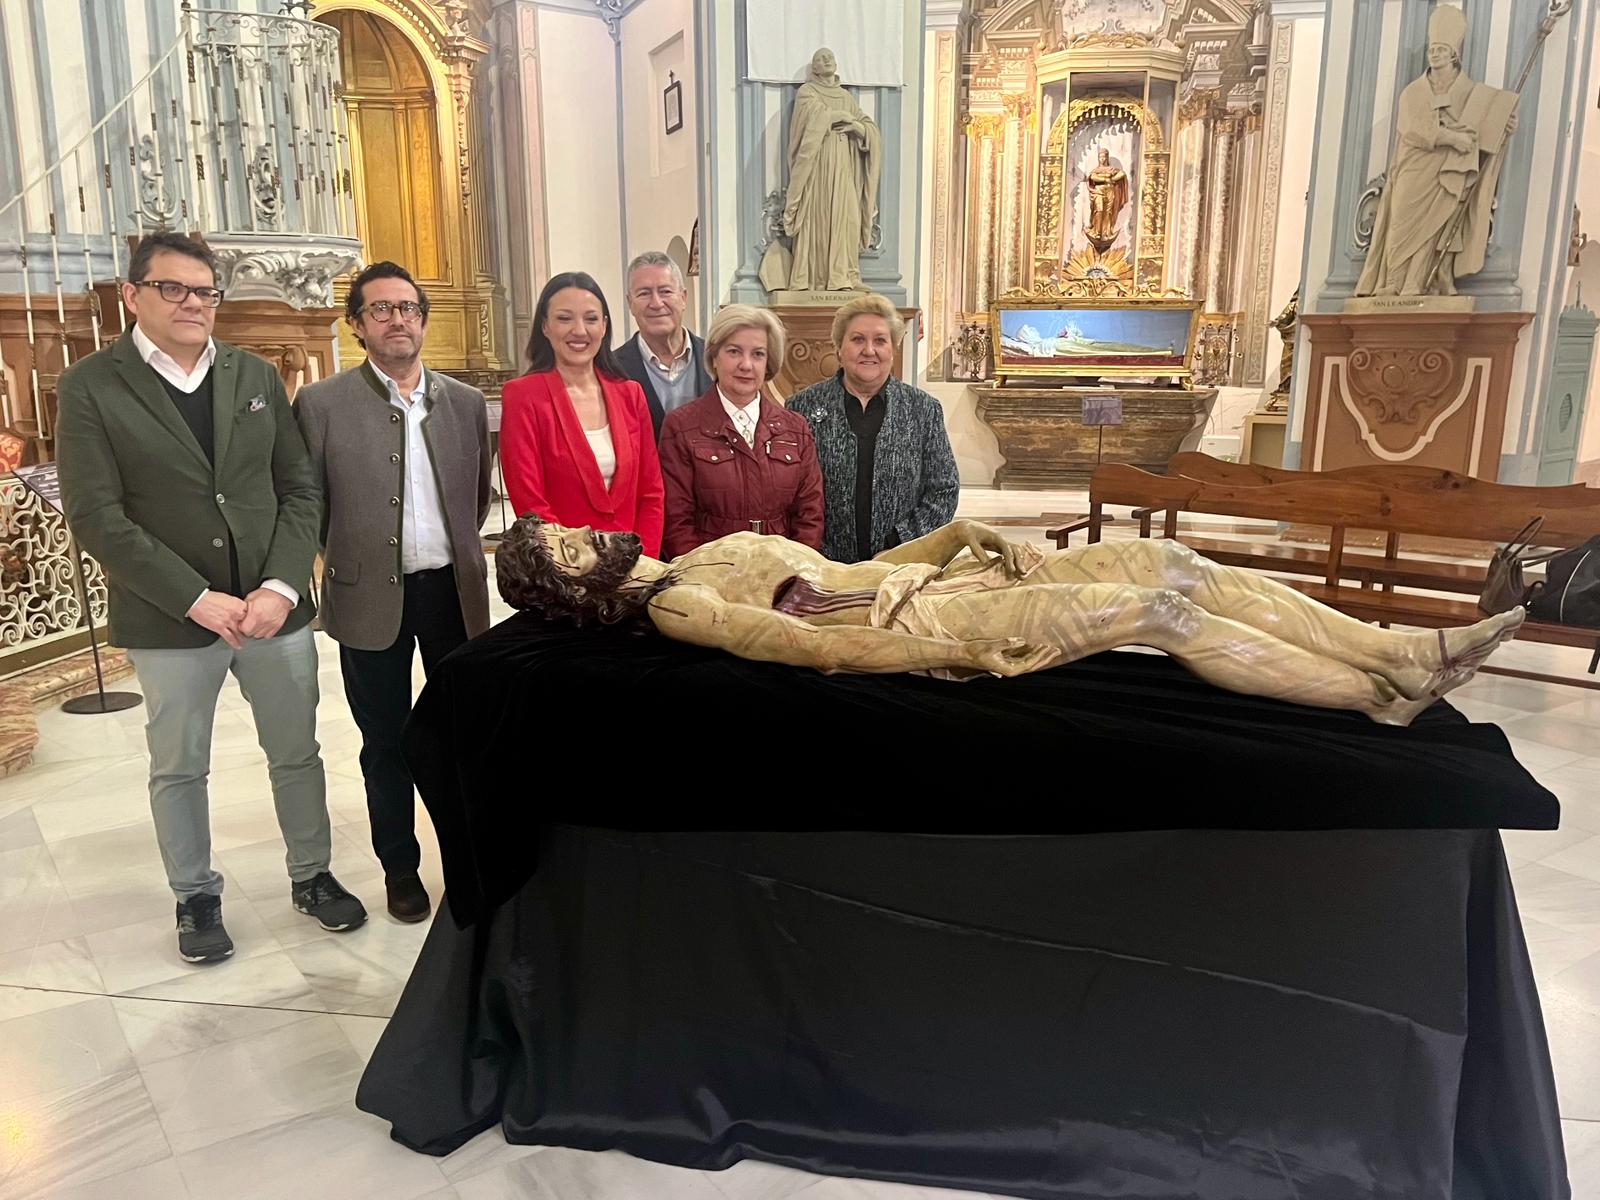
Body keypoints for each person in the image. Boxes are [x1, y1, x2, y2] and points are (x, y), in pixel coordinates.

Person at [54, 231, 366, 964]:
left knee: (296, 752)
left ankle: (312, 875)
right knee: (180, 763)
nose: (193, 303)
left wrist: (283, 586)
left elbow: (299, 488)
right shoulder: (93, 385)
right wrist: (196, 598)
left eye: (205, 291)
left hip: (270, 608)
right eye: (174, 288)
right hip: (169, 615)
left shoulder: (254, 374)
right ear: (133, 295)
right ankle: (195, 895)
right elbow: (97, 515)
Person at [495, 516, 1524, 727]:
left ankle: (1400, 649)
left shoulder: (699, 550)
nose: (588, 534)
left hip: (940, 586)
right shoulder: (678, 604)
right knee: (1157, 610)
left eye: (572, 530)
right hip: (947, 629)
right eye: (571, 551)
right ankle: (1377, 697)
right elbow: (817, 643)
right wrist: (952, 651)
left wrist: (953, 535)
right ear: (576, 590)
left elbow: (846, 569)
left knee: (1173, 560)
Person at [295, 261, 491, 924]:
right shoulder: (321, 406)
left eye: (407, 307)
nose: (397, 319)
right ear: (356, 324)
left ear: (423, 319)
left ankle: (465, 859)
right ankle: (400, 868)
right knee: (386, 740)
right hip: (367, 597)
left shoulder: (464, 404)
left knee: (461, 734)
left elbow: (478, 494)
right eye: (380, 309)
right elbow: (308, 501)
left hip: (451, 594)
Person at [1355, 4, 1518, 297]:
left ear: (1454, 54)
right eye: (1433, 48)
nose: (1436, 53)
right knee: (1401, 223)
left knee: (1434, 227)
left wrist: (1503, 126)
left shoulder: (1472, 93)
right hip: (1413, 166)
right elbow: (1411, 128)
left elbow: (1486, 126)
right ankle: (1393, 280)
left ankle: (1415, 283)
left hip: (1447, 170)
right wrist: (1451, 138)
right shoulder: (1413, 92)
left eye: (1442, 48)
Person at [499, 272, 664, 557]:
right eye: (564, 318)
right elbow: (531, 504)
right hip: (564, 576)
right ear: (545, 327)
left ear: (604, 326)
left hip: (631, 575)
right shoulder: (523, 396)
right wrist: (578, 568)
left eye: (590, 319)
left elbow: (651, 493)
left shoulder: (630, 394)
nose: (579, 330)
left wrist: (641, 565)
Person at [788, 294, 958, 563]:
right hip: (821, 565)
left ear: (893, 349)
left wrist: (900, 545)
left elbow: (944, 490)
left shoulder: (923, 409)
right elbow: (788, 492)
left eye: (880, 340)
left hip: (901, 564)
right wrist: (815, 551)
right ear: (838, 348)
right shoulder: (801, 407)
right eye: (857, 340)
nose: (869, 350)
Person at [658, 305, 823, 559]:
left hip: (783, 579)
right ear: (714, 356)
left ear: (769, 363)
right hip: (709, 583)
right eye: (734, 351)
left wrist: (794, 574)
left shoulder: (795, 429)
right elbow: (676, 522)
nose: (746, 365)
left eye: (758, 354)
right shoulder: (681, 427)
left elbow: (810, 515)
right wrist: (707, 578)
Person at [779, 48, 882, 292]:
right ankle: (813, 277)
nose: (827, 60)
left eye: (831, 57)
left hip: (844, 168)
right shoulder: (808, 92)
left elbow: (867, 126)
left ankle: (844, 275)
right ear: (813, 68)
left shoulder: (845, 97)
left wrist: (857, 127)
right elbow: (807, 124)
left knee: (846, 217)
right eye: (821, 58)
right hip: (817, 169)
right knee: (818, 219)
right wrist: (836, 116)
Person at [612, 251, 711, 440]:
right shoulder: (611, 369)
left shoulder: (716, 358)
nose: (656, 303)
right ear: (630, 303)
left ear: (683, 298)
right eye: (644, 293)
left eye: (665, 291)